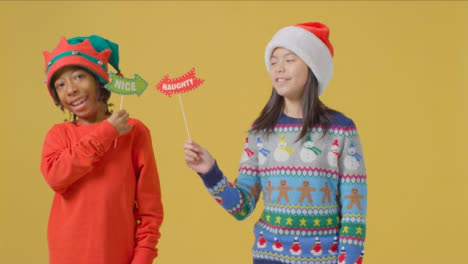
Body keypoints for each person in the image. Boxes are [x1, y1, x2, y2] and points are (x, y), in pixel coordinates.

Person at [184, 22, 367, 264]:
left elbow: (354, 215)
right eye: (273, 62)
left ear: (313, 66)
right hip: (268, 256)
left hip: (324, 258)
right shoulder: (260, 131)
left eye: (289, 60)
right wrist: (210, 172)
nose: (278, 68)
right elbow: (241, 207)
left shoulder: (341, 130)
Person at [40, 35, 163, 264]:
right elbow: (57, 177)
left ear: (99, 81)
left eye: (79, 77)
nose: (71, 90)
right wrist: (106, 133)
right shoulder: (59, 135)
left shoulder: (134, 132)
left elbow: (150, 211)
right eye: (61, 84)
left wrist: (142, 258)